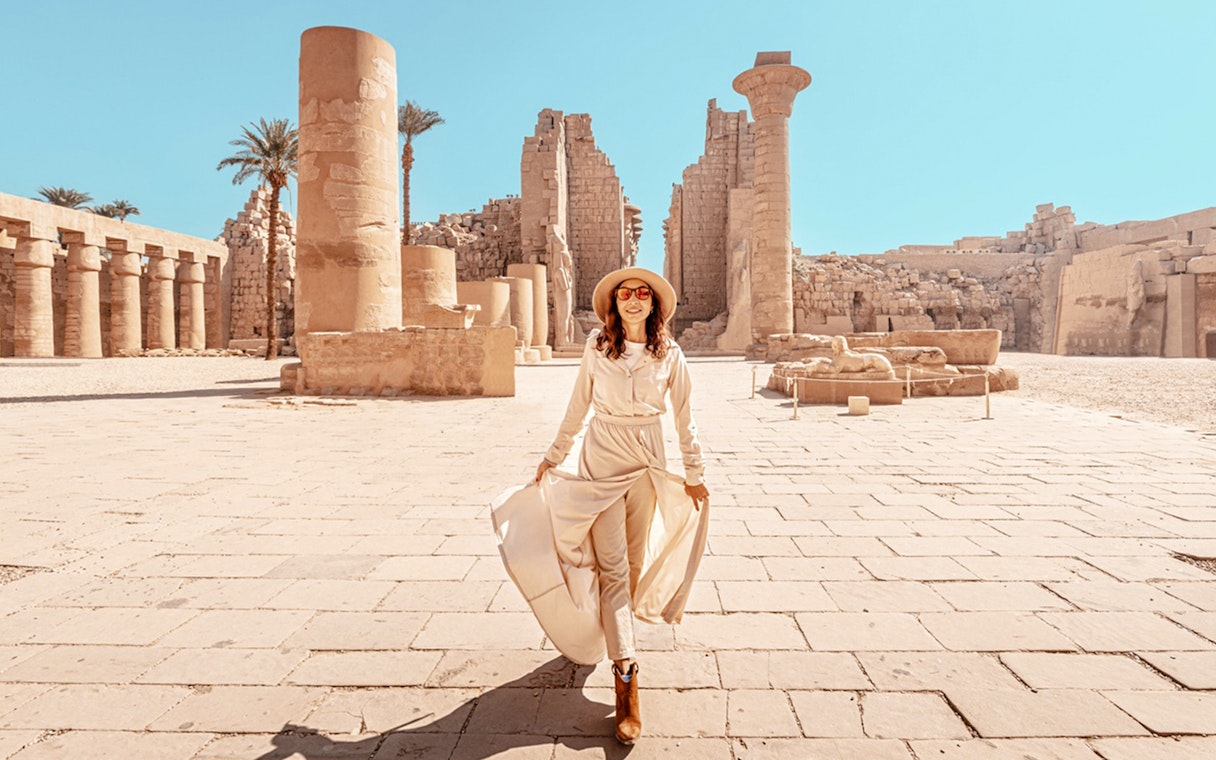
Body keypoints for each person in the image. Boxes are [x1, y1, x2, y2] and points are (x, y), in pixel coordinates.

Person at [493, 266, 709, 746]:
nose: (633, 300)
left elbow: (685, 417)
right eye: (625, 293)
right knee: (611, 567)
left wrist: (694, 474)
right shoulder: (597, 347)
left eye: (642, 294)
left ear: (654, 305)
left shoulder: (670, 354)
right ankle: (626, 676)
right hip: (603, 458)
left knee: (629, 568)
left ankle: (610, 636)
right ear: (615, 304)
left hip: (648, 463)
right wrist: (554, 454)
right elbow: (578, 405)